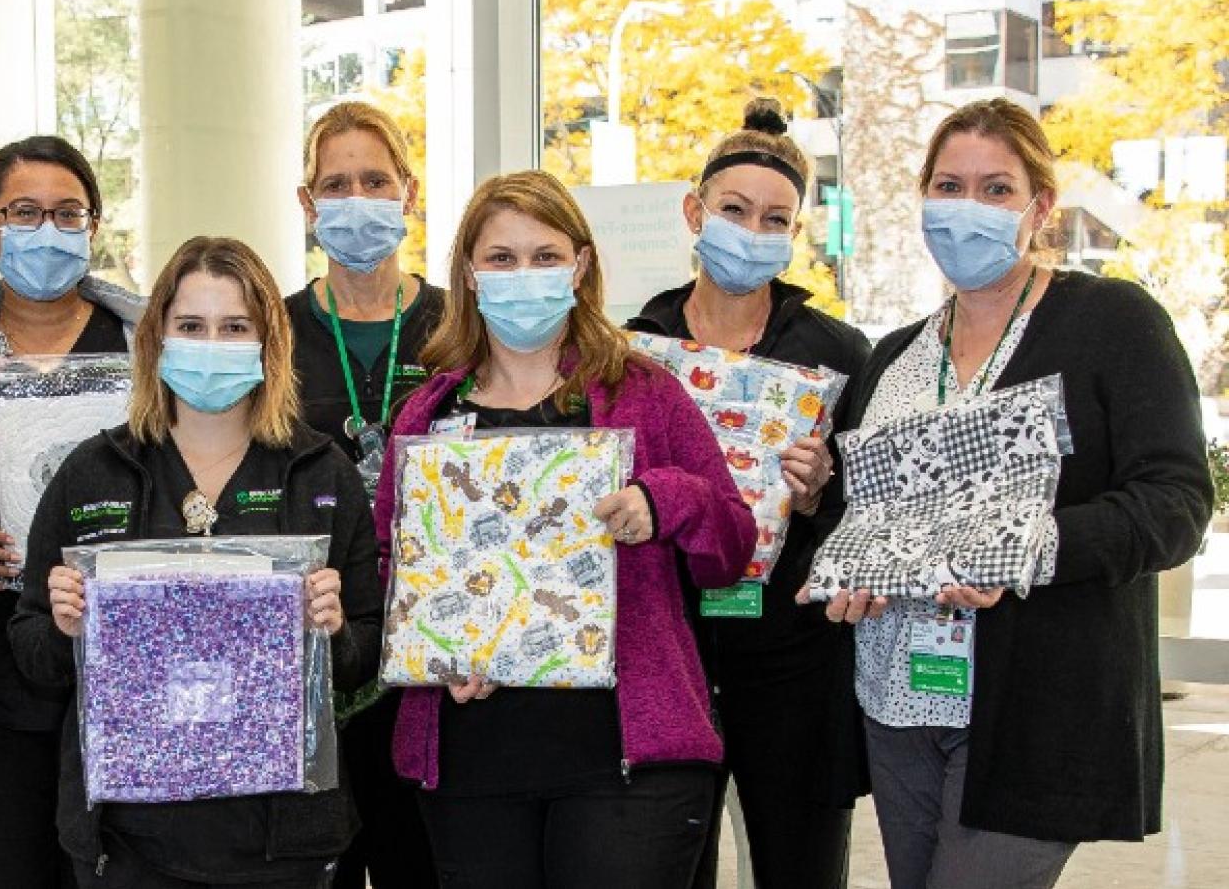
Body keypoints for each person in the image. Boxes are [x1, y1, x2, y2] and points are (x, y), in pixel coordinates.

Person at [807, 98, 1211, 889]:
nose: (968, 209)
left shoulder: (1111, 323)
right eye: (949, 186)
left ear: (1040, 207)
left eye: (996, 189)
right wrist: (840, 541)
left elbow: (1176, 501)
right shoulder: (894, 357)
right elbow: (870, 516)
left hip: (1034, 704)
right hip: (895, 699)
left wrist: (1029, 548)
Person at [376, 169, 758, 889]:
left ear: (580, 265)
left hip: (626, 768)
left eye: (545, 256)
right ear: (468, 273)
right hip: (472, 761)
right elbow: (390, 567)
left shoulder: (645, 393)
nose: (524, 275)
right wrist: (435, 650)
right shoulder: (427, 417)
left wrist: (663, 499)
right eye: (502, 258)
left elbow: (731, 548)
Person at [8, 236, 384, 887]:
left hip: (280, 839)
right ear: (157, 339)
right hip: (130, 839)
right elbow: (31, 648)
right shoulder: (94, 473)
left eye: (234, 326)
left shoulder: (320, 473)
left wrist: (333, 630)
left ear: (269, 342)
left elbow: (365, 661)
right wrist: (66, 626)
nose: (211, 343)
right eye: (191, 326)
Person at [626, 97, 871, 889]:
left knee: (800, 864)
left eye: (775, 219)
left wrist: (816, 500)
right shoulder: (637, 344)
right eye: (735, 210)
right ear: (695, 211)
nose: (753, 232)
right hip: (673, 651)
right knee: (667, 863)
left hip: (794, 664)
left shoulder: (836, 353)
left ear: (794, 236)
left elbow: (874, 518)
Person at [0, 135, 144, 889]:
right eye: (24, 212)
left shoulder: (152, 350)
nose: (46, 230)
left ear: (93, 226)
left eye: (66, 212)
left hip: (130, 656)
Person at [287, 100, 442, 889]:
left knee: (424, 860)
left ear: (409, 191)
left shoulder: (460, 325)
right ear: (307, 202)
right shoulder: (273, 336)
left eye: (375, 180)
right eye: (336, 183)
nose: (357, 199)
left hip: (441, 651)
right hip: (322, 644)